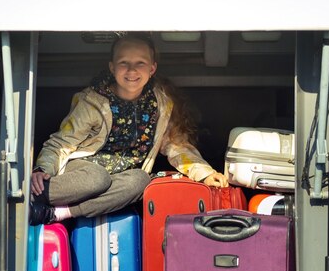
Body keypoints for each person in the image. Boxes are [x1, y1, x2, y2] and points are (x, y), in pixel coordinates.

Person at [29, 33, 227, 225]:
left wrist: (205, 173)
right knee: (98, 178)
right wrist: (42, 169)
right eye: (124, 62)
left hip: (119, 180)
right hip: (84, 172)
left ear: (152, 68)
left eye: (140, 63)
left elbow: (176, 145)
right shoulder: (93, 102)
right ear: (112, 67)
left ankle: (58, 213)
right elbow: (62, 143)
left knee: (141, 179)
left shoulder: (161, 104)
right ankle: (35, 195)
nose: (132, 70)